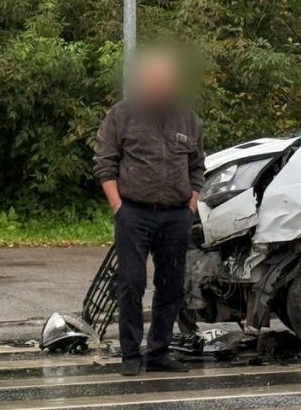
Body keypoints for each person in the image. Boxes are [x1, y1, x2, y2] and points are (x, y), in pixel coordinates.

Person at [93, 48, 205, 377]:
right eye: (154, 81)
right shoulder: (122, 114)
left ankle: (159, 350)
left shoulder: (189, 118)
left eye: (166, 82)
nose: (160, 87)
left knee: (171, 286)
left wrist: (191, 203)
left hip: (176, 216)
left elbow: (197, 166)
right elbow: (105, 163)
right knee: (131, 284)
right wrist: (118, 207)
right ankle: (130, 354)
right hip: (134, 214)